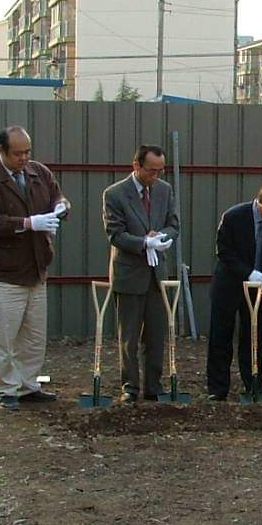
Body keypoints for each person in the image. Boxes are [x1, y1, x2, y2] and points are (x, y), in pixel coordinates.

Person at [0, 125, 70, 411]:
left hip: (36, 268)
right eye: (18, 154)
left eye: (27, 152)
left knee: (34, 336)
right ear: (2, 151)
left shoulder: (39, 173)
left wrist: (61, 207)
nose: (24, 158)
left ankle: (28, 385)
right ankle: (4, 389)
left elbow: (58, 196)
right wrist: (27, 223)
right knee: (3, 336)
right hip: (4, 272)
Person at [103, 145, 181, 402]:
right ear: (136, 166)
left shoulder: (164, 190)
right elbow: (115, 234)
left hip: (156, 274)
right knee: (129, 336)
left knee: (156, 334)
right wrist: (143, 242)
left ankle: (153, 386)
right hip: (129, 273)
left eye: (160, 171)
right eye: (151, 171)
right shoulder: (115, 194)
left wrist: (161, 237)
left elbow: (173, 224)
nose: (155, 176)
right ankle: (130, 386)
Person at [206, 180, 262, 400]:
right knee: (221, 336)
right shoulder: (234, 217)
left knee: (253, 335)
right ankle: (217, 388)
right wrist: (248, 273)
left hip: (257, 289)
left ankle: (254, 382)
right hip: (229, 285)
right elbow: (224, 252)